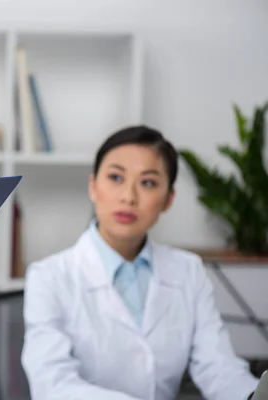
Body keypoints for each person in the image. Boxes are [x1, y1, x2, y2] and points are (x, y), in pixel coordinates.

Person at [21, 126, 259, 400]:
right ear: (93, 187)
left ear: (168, 199)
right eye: (115, 177)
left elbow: (218, 367)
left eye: (148, 183)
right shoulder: (49, 276)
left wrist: (252, 396)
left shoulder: (188, 271)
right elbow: (53, 385)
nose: (129, 197)